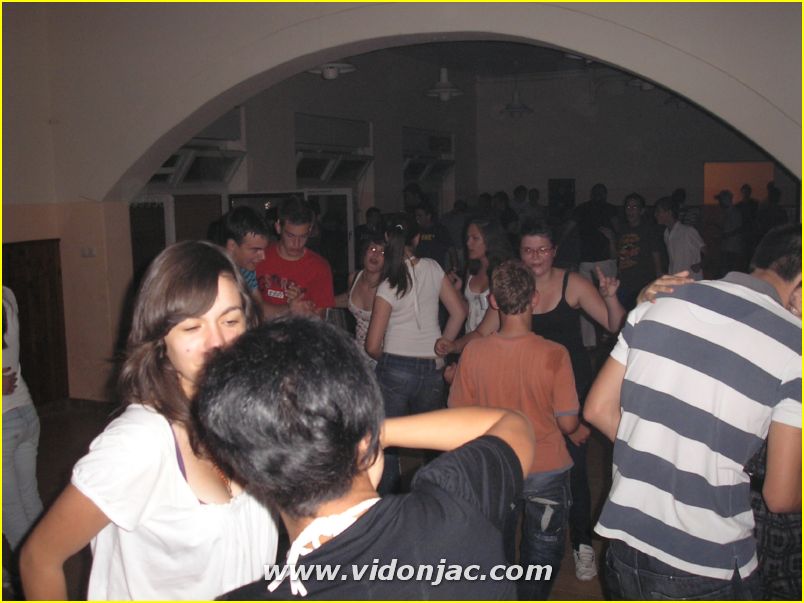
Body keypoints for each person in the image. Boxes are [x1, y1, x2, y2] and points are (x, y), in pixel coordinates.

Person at [193, 316, 537, 600]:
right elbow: (512, 425)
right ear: (366, 437)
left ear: (247, 471)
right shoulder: (458, 509)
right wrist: (373, 431)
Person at [20, 241, 279, 600]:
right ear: (160, 338)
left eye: (230, 320)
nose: (217, 342)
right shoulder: (138, 442)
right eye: (192, 327)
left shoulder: (246, 419)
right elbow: (39, 559)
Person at [584, 224, 801, 600]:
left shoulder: (658, 299)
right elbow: (781, 496)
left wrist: (659, 453)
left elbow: (598, 409)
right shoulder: (794, 345)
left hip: (624, 547)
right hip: (706, 561)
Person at [437, 219, 625, 581]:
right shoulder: (515, 287)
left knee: (575, 474)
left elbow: (614, 325)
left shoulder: (571, 284)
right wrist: (455, 349)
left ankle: (581, 543)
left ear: (554, 252)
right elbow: (482, 333)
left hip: (569, 393)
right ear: (519, 253)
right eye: (528, 250)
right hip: (531, 396)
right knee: (542, 483)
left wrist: (610, 297)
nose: (536, 257)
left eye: (542, 250)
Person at [448, 259, 580, 599]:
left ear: (493, 301)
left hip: (496, 468)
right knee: (544, 550)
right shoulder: (555, 353)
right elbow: (568, 423)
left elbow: (459, 418)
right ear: (535, 298)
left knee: (496, 546)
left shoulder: (474, 352)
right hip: (546, 467)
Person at [365, 213, 467, 494]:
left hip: (395, 367)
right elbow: (459, 312)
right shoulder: (433, 268)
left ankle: (390, 503)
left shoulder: (388, 283)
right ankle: (436, 498)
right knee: (432, 441)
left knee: (387, 442)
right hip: (432, 366)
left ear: (388, 240)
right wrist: (445, 343)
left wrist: (390, 360)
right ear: (417, 238)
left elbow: (372, 345)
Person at [3, 287, 44, 571]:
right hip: (26, 414)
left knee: (10, 512)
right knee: (29, 498)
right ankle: (49, 562)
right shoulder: (7, 295)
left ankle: (29, 577)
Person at [255, 196, 335, 319]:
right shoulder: (258, 258)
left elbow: (320, 318)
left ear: (310, 230)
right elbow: (251, 308)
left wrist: (303, 309)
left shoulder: (319, 267)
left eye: (303, 236)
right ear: (278, 227)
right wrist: (290, 308)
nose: (297, 244)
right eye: (290, 236)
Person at [449, 215, 513, 334]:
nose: (468, 243)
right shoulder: (472, 269)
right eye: (468, 238)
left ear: (490, 240)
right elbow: (469, 311)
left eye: (475, 238)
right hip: (470, 337)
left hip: (493, 340)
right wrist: (457, 291)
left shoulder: (504, 271)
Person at [573, 183, 619, 348]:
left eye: (600, 193)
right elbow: (570, 229)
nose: (598, 195)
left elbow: (617, 231)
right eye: (597, 193)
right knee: (590, 298)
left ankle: (604, 336)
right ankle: (594, 340)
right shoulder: (584, 209)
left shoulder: (609, 209)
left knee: (605, 296)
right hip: (592, 260)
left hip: (601, 259)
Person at [334, 236, 386, 366]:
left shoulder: (388, 286)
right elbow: (348, 298)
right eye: (372, 249)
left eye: (382, 252)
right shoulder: (354, 277)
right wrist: (318, 301)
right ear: (364, 252)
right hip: (360, 357)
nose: (376, 255)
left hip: (383, 357)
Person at [615, 193, 662, 310]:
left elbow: (656, 254)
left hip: (643, 282)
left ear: (642, 211)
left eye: (634, 207)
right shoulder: (622, 229)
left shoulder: (649, 230)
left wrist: (658, 276)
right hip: (624, 282)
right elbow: (619, 254)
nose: (630, 210)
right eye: (628, 207)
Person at [217, 206, 270, 304]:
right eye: (255, 250)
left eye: (263, 250)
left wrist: (291, 307)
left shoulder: (246, 269)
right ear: (232, 246)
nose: (263, 257)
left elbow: (259, 308)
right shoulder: (214, 276)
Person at [655, 196, 706, 279]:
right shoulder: (666, 233)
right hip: (675, 280)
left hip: (691, 281)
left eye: (658, 211)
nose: (655, 215)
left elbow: (708, 253)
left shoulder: (688, 231)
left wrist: (700, 265)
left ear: (669, 212)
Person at [414, 200, 457, 271]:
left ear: (428, 216)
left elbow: (451, 249)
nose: (417, 219)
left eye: (420, 216)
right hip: (421, 270)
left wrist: (455, 268)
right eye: (416, 216)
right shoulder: (416, 231)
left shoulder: (439, 230)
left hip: (436, 270)